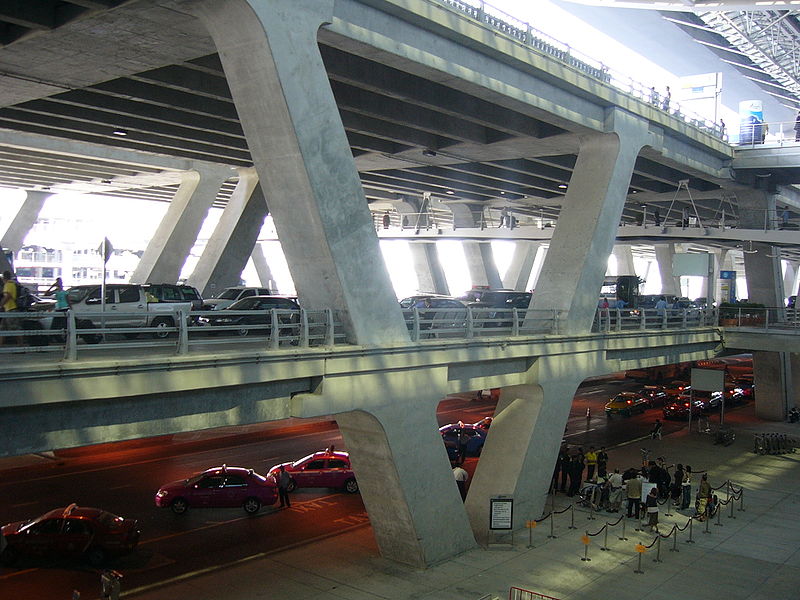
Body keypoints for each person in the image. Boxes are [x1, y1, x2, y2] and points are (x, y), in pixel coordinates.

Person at [0, 270, 19, 345]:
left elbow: (8, 296)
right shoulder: (12, 284)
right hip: (7, 309)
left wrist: (1, 304)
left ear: (4, 277)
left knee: (15, 328)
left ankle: (21, 346)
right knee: (2, 328)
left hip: (11, 309)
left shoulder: (8, 285)